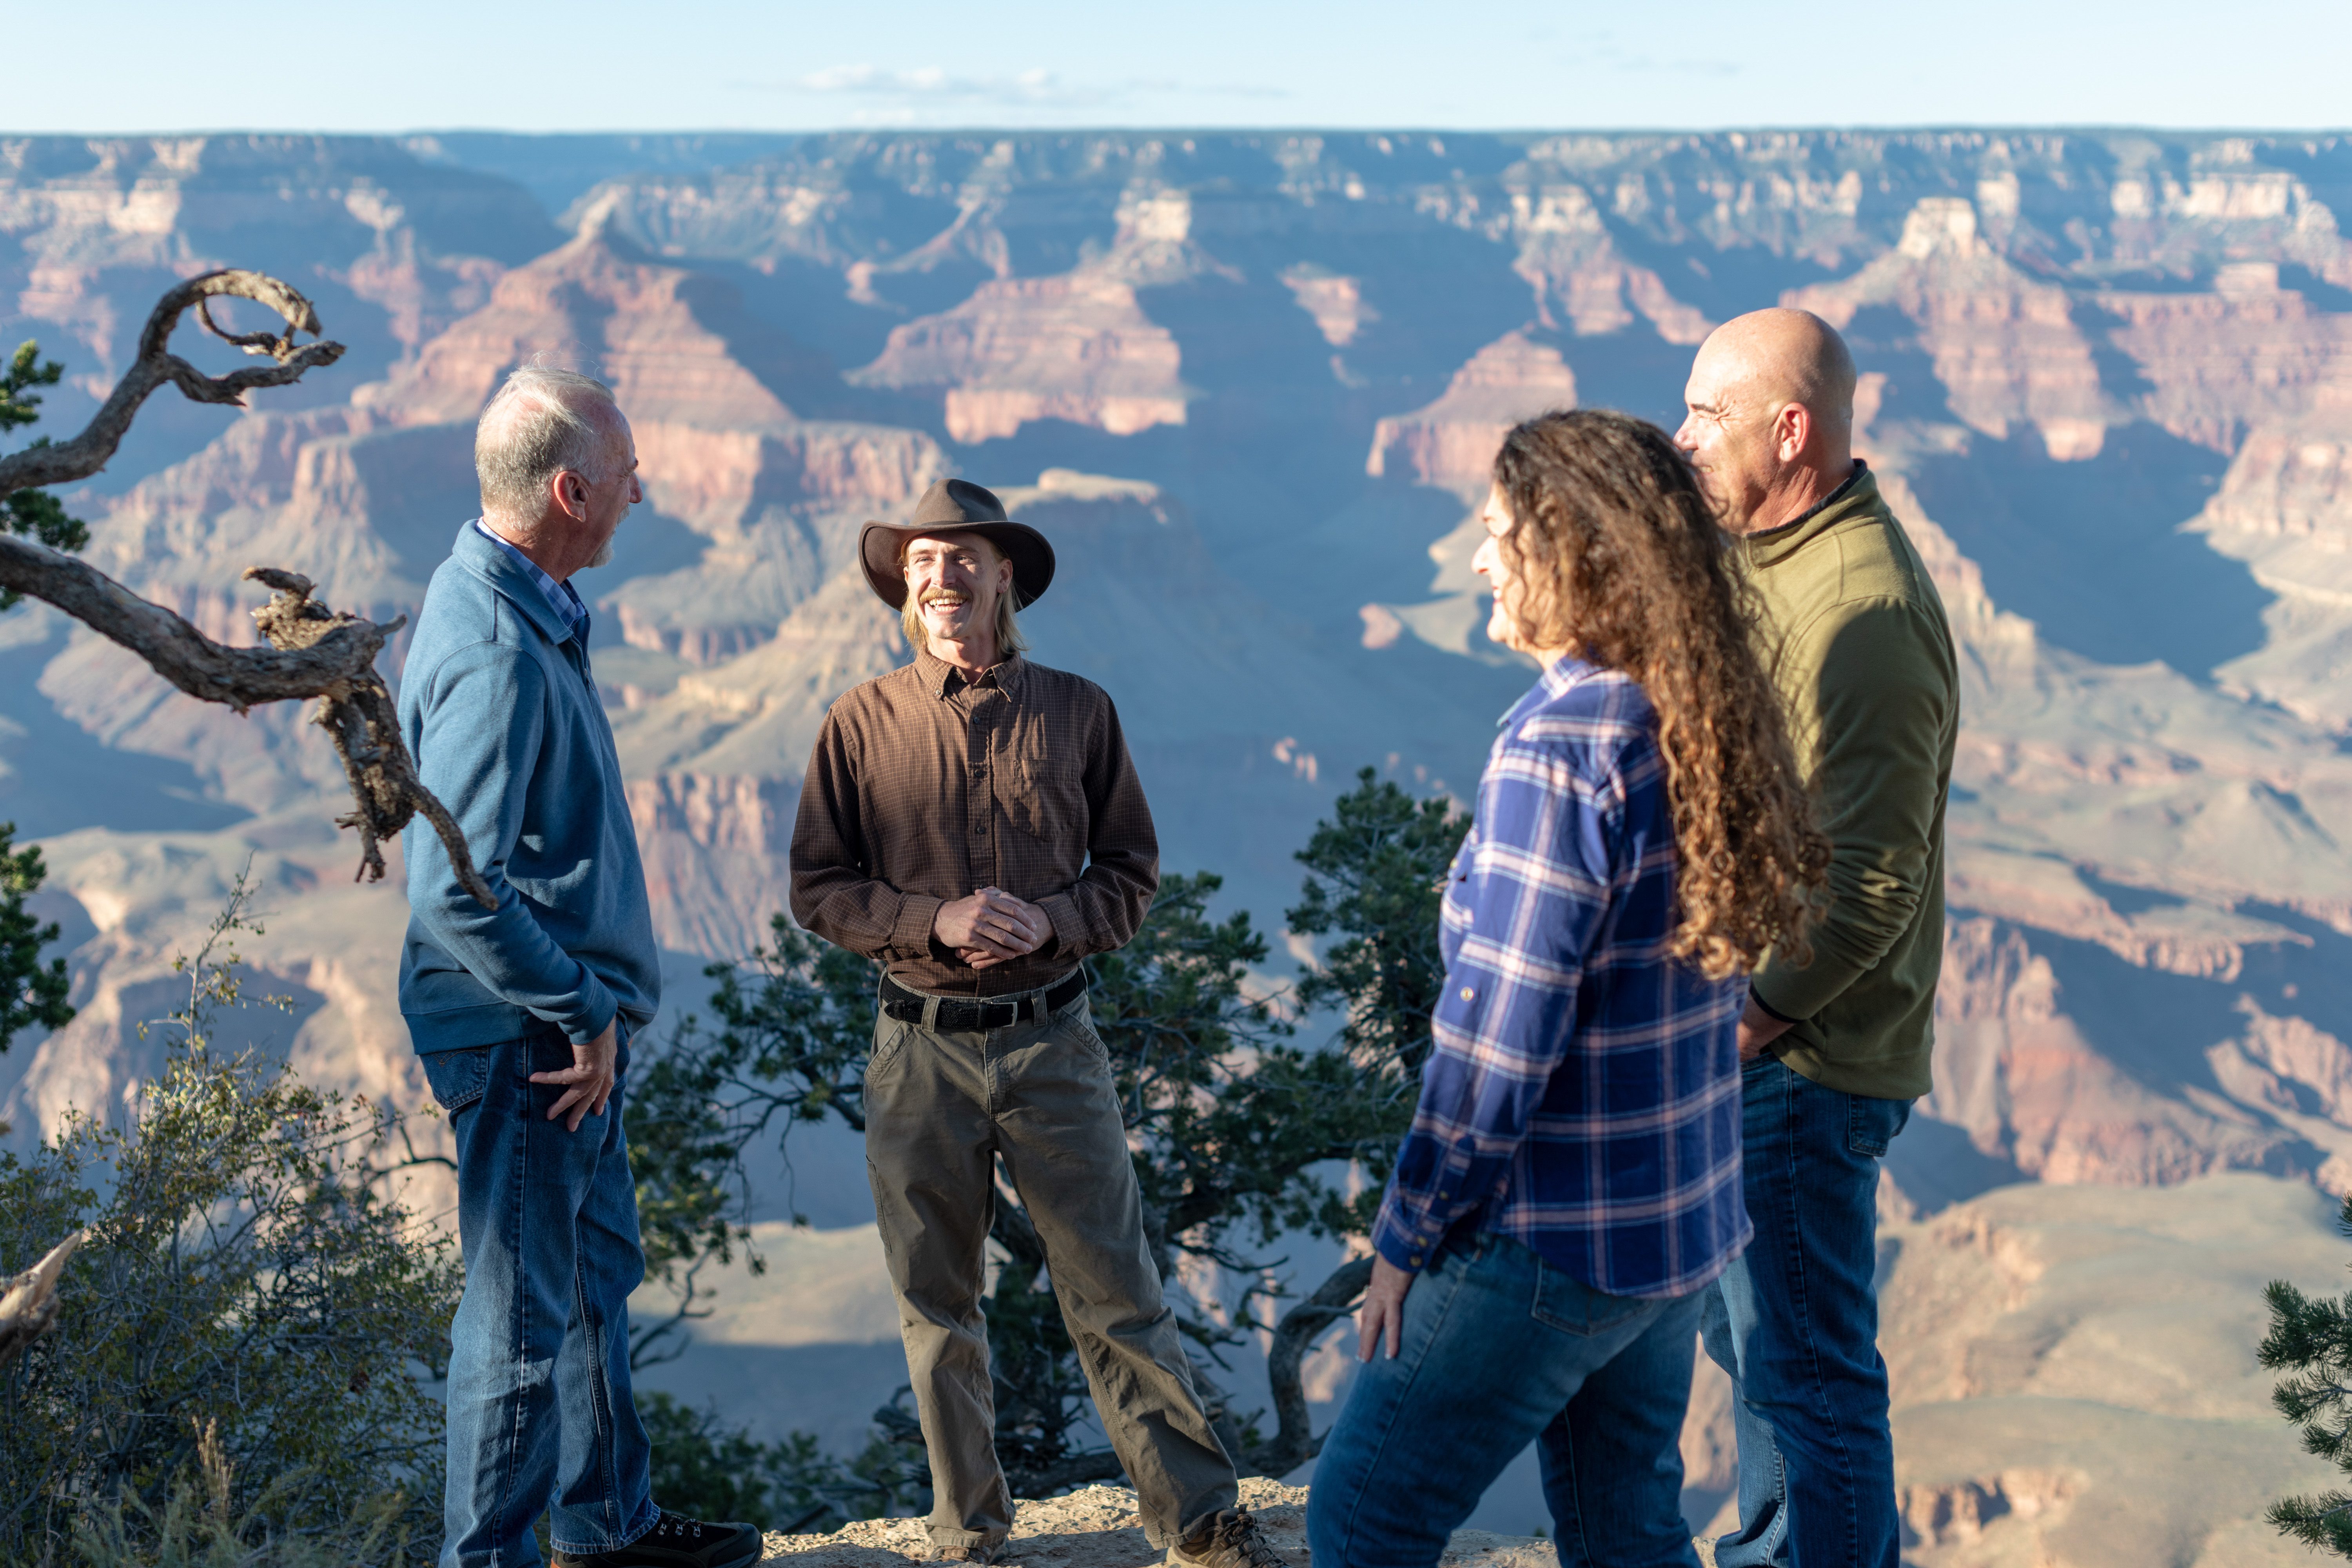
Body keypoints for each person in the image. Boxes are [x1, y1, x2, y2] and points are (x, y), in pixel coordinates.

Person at [1307, 410, 1829, 1568]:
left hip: (1554, 1238)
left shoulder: (1565, 744)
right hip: (1677, 1226)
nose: (1479, 558)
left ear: (1578, 555)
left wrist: (1404, 1237)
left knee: (1361, 1518)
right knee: (1624, 1527)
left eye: (1501, 533)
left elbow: (1501, 1041)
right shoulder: (1696, 708)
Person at [788, 478, 1281, 1568]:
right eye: (921, 560)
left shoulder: (1080, 711)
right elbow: (820, 889)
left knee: (1117, 1292)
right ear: (903, 585)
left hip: (1053, 1042)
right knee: (938, 1307)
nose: (941, 577)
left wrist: (1052, 922)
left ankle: (1198, 1525)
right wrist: (937, 918)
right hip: (917, 1048)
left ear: (1006, 573)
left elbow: (1132, 877)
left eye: (963, 556)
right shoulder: (860, 724)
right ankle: (970, 1537)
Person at [401, 368, 761, 1568]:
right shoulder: (503, 649)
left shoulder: (519, 598)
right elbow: (457, 883)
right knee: (519, 1321)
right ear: (569, 490)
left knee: (595, 1279)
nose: (644, 491)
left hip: (558, 1024)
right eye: (626, 475)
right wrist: (581, 1008)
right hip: (528, 1035)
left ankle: (612, 1532)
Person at [1675, 308, 1960, 1568]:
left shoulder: (1869, 611)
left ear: (1791, 432)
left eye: (1709, 416)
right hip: (1749, 1043)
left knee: (1806, 1375)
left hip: (1800, 1063)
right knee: (1757, 1354)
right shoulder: (1769, 547)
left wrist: (1745, 1027)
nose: (1683, 439)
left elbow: (1873, 881)